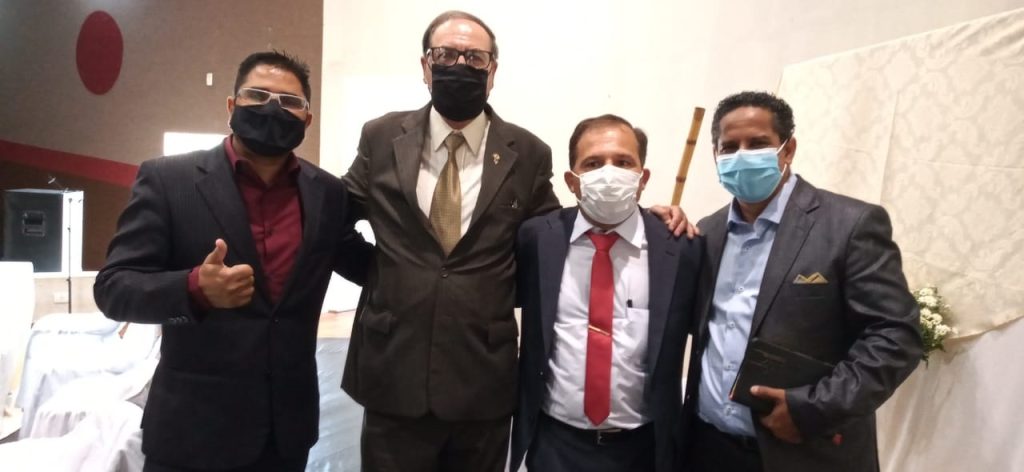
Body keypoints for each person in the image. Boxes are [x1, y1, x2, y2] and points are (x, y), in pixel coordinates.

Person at [340, 10, 691, 471]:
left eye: (474, 57)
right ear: (426, 65)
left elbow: (556, 235)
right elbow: (335, 222)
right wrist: (383, 274)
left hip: (483, 379)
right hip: (392, 369)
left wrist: (644, 219)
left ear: (492, 71)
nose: (460, 65)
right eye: (445, 54)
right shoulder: (383, 136)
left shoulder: (527, 152)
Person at [94, 51, 372, 472]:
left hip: (285, 432)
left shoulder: (327, 194)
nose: (272, 108)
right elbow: (114, 288)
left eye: (289, 101)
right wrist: (194, 288)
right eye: (257, 95)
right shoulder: (168, 180)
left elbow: (364, 263)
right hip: (191, 432)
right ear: (231, 105)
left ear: (307, 119)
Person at [680, 91, 923, 472]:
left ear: (788, 149)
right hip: (708, 448)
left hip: (805, 449)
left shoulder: (849, 225)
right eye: (729, 147)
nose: (742, 156)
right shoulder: (708, 232)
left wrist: (816, 408)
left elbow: (896, 336)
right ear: (715, 155)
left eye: (757, 144)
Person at [510, 115, 701, 472]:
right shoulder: (537, 239)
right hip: (555, 443)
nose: (609, 173)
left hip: (643, 449)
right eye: (593, 163)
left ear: (642, 177)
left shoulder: (680, 248)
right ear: (572, 181)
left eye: (624, 162)